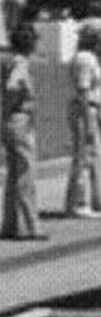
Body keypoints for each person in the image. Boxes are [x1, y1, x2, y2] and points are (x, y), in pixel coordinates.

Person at [63, 19, 101, 218]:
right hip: (83, 109)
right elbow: (83, 90)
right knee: (84, 157)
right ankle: (77, 204)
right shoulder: (84, 59)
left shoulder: (90, 58)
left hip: (92, 107)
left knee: (98, 156)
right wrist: (88, 119)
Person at [0, 22, 46, 241]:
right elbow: (12, 86)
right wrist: (14, 105)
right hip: (20, 118)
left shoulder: (9, 61)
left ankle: (12, 224)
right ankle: (29, 225)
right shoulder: (20, 63)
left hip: (10, 120)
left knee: (14, 174)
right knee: (25, 173)